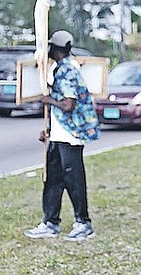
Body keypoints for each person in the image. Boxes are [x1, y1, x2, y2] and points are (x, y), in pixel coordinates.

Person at [24, 30, 101, 242]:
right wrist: (49, 129)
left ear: (56, 49)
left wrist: (48, 100)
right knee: (52, 178)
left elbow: (68, 104)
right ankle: (50, 222)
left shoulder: (67, 70)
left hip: (71, 135)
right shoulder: (58, 69)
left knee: (73, 179)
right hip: (59, 135)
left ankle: (83, 223)